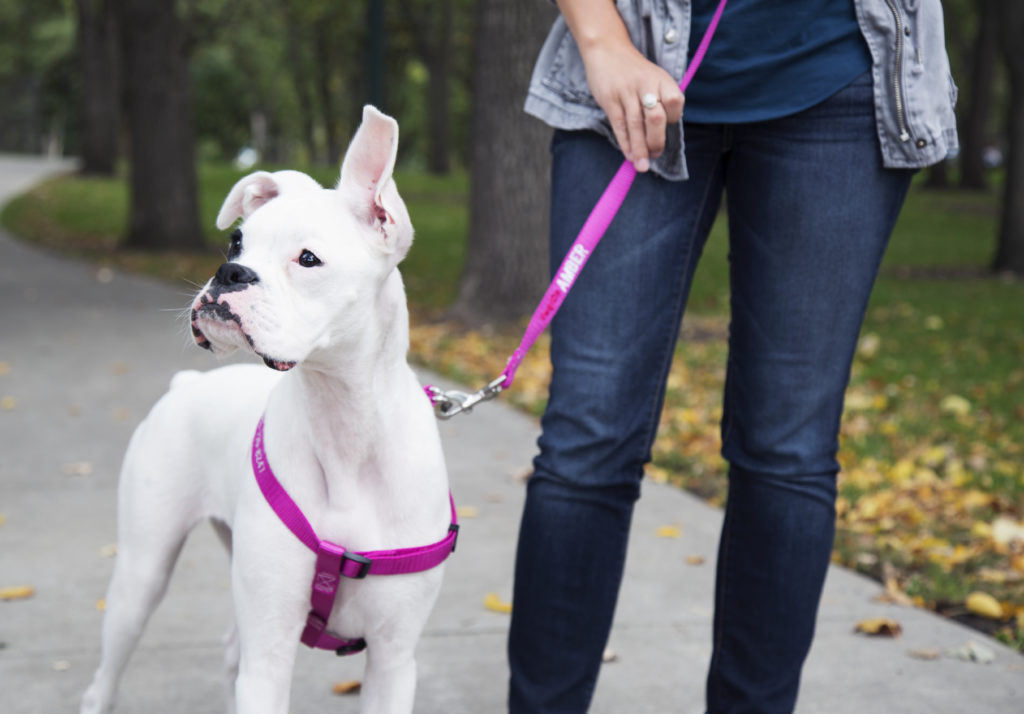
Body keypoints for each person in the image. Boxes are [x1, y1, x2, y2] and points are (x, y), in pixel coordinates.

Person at [509, 1, 958, 712]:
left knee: (788, 452)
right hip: (632, 64)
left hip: (837, 82)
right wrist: (598, 40)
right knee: (587, 442)